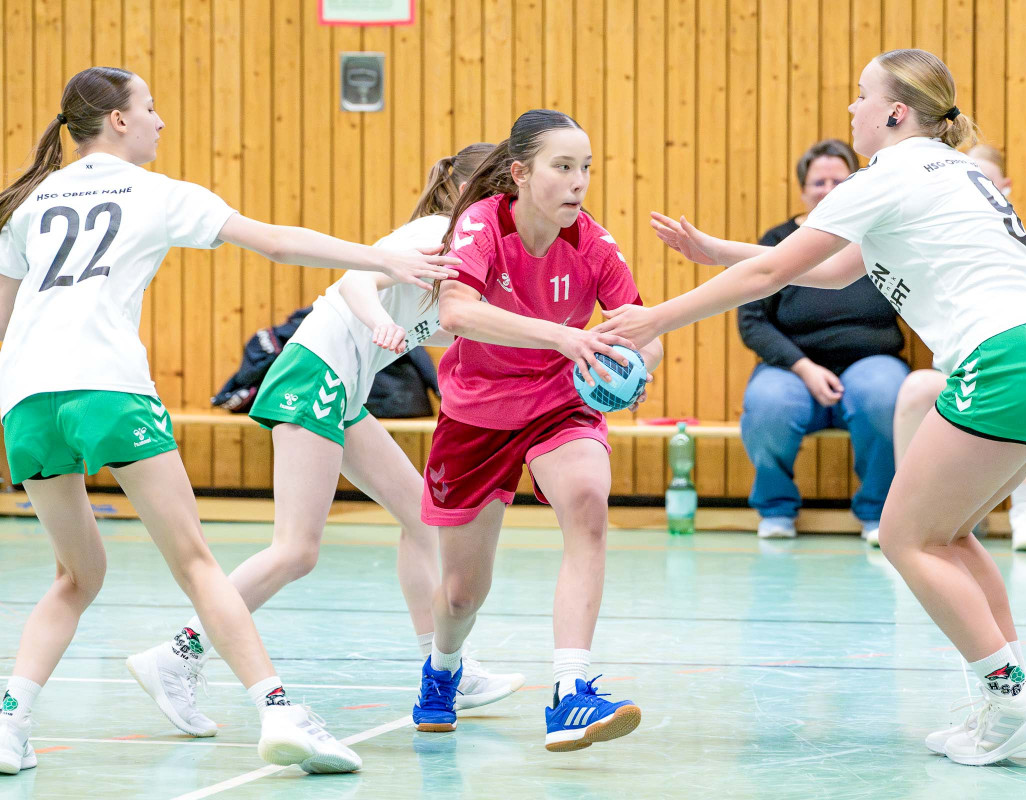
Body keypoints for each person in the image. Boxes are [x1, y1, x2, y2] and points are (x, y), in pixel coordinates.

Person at [600, 49, 1026, 766]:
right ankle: (1009, 697)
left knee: (905, 538)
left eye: (860, 95)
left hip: (1009, 358)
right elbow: (835, 270)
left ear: (895, 112)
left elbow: (778, 270)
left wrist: (658, 318)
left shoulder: (887, 173)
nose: (851, 108)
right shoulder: (948, 168)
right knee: (949, 535)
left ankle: (1015, 697)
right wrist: (717, 251)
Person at [0, 66, 459, 775]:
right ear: (118, 120)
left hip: (26, 400)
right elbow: (277, 242)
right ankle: (279, 711)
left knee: (76, 576)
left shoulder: (29, 202)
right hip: (109, 389)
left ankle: (9, 723)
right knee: (195, 562)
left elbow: (4, 320)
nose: (159, 121)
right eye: (150, 108)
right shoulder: (156, 192)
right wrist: (382, 259)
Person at [126, 143, 525, 739]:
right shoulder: (434, 232)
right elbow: (358, 281)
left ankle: (445, 669)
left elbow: (448, 327)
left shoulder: (472, 257)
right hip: (314, 375)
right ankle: (177, 654)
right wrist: (377, 320)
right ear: (486, 193)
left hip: (344, 391)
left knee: (424, 519)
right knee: (296, 550)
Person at [410, 109, 664, 753]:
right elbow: (457, 312)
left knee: (588, 502)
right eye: (563, 166)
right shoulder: (481, 224)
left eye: (586, 168)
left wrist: (637, 364)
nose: (579, 181)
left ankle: (570, 691)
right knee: (462, 595)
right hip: (477, 414)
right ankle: (443, 667)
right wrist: (562, 336)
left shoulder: (594, 243)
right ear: (520, 173)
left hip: (559, 403)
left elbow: (640, 328)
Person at [892, 143, 1026, 551]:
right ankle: (908, 507)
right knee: (917, 389)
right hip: (966, 373)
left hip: (1019, 370)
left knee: (1019, 392)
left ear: (1003, 187)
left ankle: (1025, 511)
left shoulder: (1023, 244)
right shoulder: (940, 239)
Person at [740, 139, 908, 543]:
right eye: (819, 182)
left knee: (886, 395)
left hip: (872, 363)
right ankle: (776, 509)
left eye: (839, 181)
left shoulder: (878, 239)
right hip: (791, 368)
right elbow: (752, 322)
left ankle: (879, 512)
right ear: (803, 190)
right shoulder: (776, 241)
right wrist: (804, 368)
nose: (829, 190)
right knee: (768, 404)